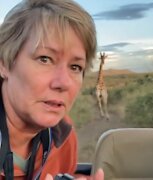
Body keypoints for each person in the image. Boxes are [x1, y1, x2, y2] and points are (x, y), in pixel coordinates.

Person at [0, 0, 104, 179]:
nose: (64, 83)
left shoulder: (62, 136)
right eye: (45, 59)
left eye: (75, 67)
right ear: (4, 63)